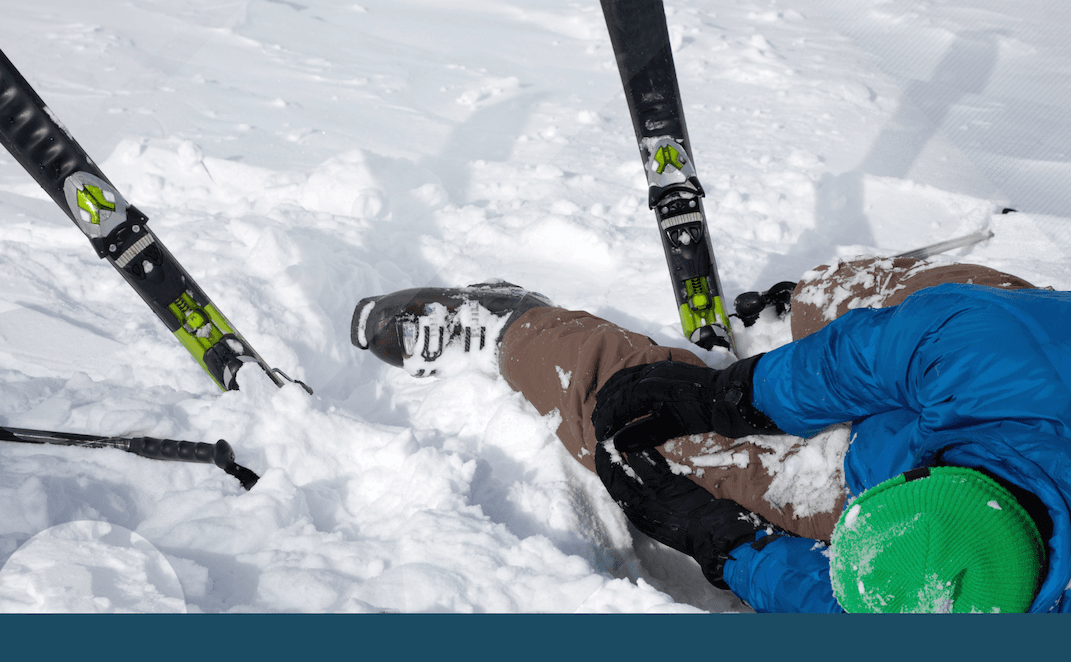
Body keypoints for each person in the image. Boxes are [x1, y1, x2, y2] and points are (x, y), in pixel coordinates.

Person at [349, 257, 1070, 613]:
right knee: (871, 315)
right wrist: (728, 395)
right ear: (923, 478)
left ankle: (515, 331)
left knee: (652, 444)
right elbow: (871, 357)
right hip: (1005, 359)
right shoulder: (989, 352)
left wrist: (728, 544)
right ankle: (827, 294)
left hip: (955, 416)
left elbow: (844, 613)